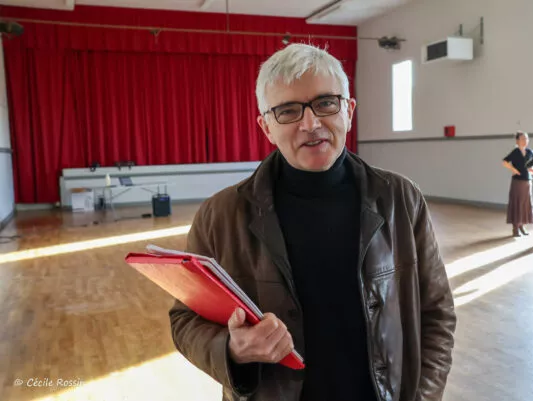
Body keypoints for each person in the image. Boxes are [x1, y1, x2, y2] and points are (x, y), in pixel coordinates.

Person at [169, 43, 456, 401]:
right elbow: (185, 321)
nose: (311, 123)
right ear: (266, 127)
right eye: (288, 110)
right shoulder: (220, 215)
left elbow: (437, 314)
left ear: (348, 111)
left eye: (325, 103)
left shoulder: (401, 199)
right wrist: (233, 349)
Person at [502, 131, 533, 237]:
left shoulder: (530, 152)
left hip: (527, 181)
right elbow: (505, 161)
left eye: (526, 138)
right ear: (517, 141)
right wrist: (513, 169)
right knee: (517, 203)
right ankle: (515, 227)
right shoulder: (515, 152)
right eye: (522, 139)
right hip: (517, 181)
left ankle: (522, 225)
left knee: (526, 204)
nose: (525, 141)